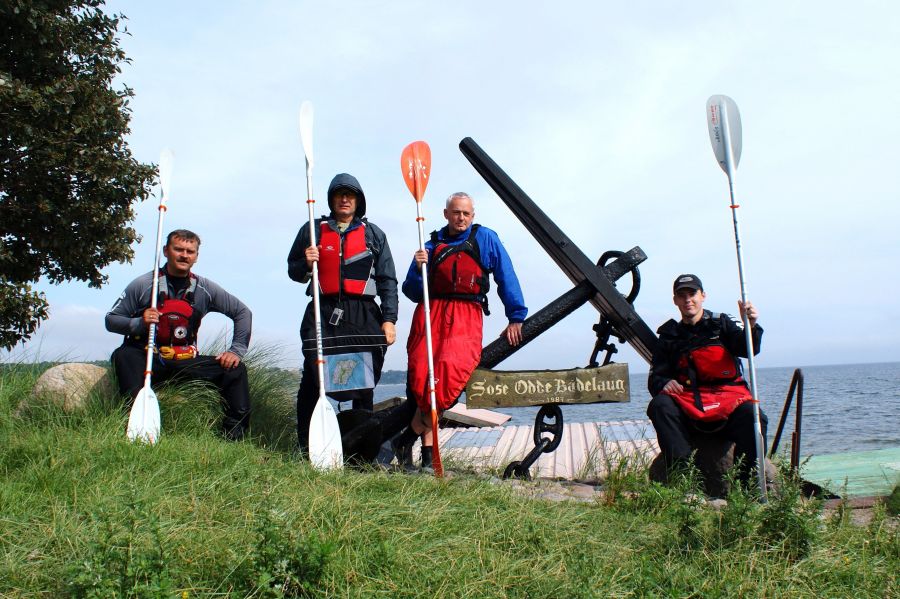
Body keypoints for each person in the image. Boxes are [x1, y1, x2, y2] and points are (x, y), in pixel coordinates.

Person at [396, 192, 527, 469]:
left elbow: (507, 276)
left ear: (473, 215)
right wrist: (419, 268)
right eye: (456, 213)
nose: (461, 218)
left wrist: (516, 316)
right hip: (430, 315)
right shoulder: (431, 245)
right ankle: (429, 459)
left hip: (466, 316)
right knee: (424, 381)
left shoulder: (486, 238)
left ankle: (405, 439)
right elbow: (411, 291)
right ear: (446, 214)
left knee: (448, 382)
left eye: (466, 213)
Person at [287, 173, 399, 456]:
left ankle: (360, 451)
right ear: (332, 199)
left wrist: (389, 320)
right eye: (340, 194)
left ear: (358, 201)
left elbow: (387, 280)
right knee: (314, 379)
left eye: (350, 195)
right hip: (322, 311)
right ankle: (307, 447)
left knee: (363, 381)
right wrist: (305, 262)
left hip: (362, 313)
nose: (345, 199)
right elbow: (293, 271)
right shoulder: (312, 230)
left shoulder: (374, 234)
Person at [106, 229, 253, 440]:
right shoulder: (144, 284)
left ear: (196, 256)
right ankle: (133, 425)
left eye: (190, 251)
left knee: (235, 370)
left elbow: (242, 313)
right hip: (147, 359)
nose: (184, 255)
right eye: (178, 249)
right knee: (124, 355)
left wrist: (236, 351)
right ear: (166, 251)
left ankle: (233, 437)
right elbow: (111, 320)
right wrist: (139, 322)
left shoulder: (205, 288)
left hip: (184, 361)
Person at [646, 273, 767, 487]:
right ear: (675, 300)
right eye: (681, 295)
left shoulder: (721, 325)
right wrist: (663, 383)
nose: (687, 300)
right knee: (660, 405)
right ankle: (683, 479)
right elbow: (656, 376)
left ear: (703, 296)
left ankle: (747, 484)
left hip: (728, 405)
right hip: (690, 408)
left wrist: (752, 326)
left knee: (754, 416)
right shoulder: (669, 336)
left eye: (692, 294)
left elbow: (748, 349)